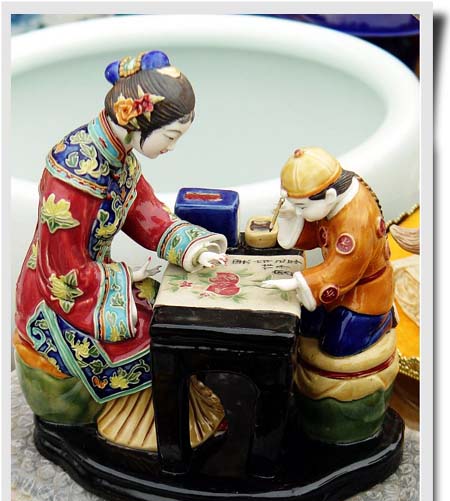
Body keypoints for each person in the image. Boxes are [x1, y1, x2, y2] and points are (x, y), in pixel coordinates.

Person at [14, 50, 228, 430]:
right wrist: (123, 277)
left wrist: (192, 248)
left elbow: (145, 213)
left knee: (167, 308)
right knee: (157, 331)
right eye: (171, 136)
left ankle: (176, 414)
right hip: (60, 299)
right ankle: (152, 426)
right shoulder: (74, 176)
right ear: (138, 120)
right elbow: (63, 270)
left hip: (96, 282)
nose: (171, 147)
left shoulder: (119, 158)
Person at [262, 147, 399, 444]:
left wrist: (299, 282)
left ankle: (384, 319)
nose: (300, 211)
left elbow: (343, 268)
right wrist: (293, 217)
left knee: (336, 346)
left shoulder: (356, 218)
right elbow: (319, 232)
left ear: (329, 196)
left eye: (302, 206)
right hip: (333, 286)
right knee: (305, 325)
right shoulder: (333, 199)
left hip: (365, 294)